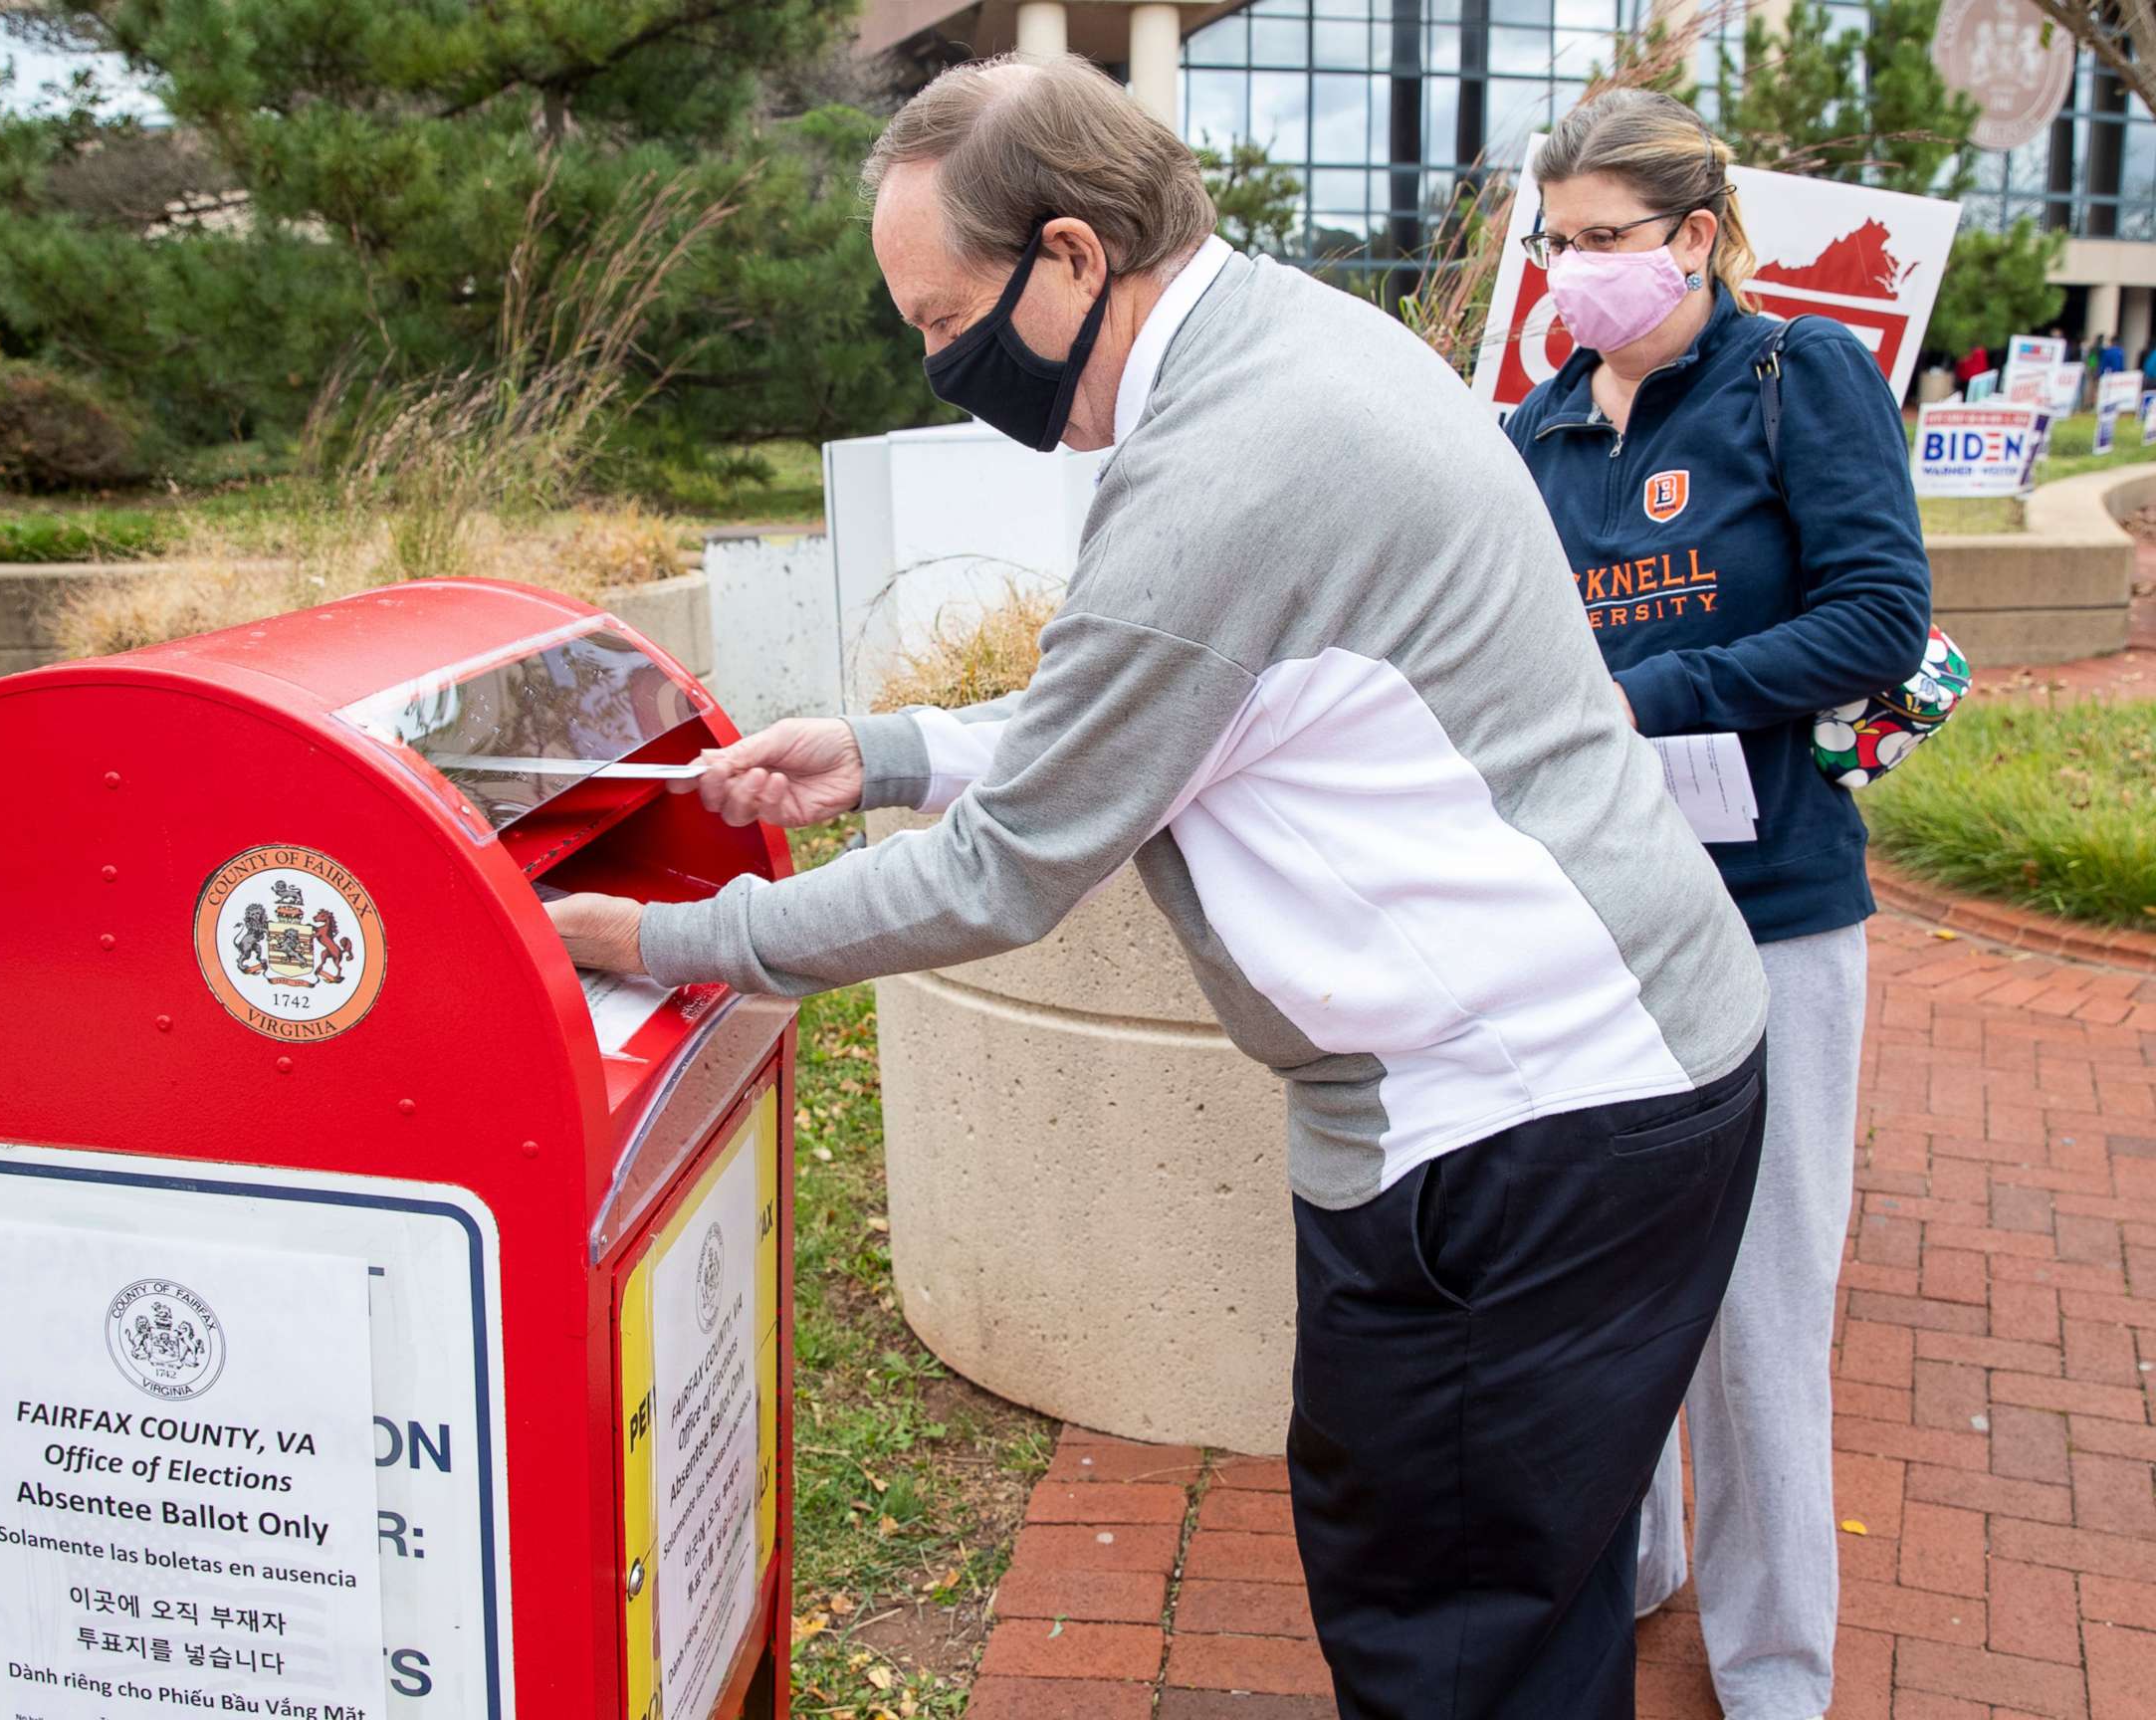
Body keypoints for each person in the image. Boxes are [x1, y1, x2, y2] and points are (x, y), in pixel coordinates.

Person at [548, 54, 1770, 1720]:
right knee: (1493, 1588)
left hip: (1524, 1123)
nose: (935, 358)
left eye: (937, 315)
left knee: (1455, 1631)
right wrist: (889, 746)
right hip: (1597, 1068)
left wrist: (669, 939)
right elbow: (1182, 700)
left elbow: (1005, 874)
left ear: (1067, 257)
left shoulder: (1225, 469)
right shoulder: (1291, 342)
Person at [1502, 90, 1934, 1720]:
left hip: (1771, 913)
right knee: (1605, 1296)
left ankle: (1772, 1671)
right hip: (1593, 918)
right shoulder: (1534, 435)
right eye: (1553, 240)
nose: (1571, 270)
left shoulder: (1790, 380)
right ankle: (1641, 1569)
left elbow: (1881, 615)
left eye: (1602, 240)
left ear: (1694, 236)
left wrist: (1654, 696)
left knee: (1761, 1314)